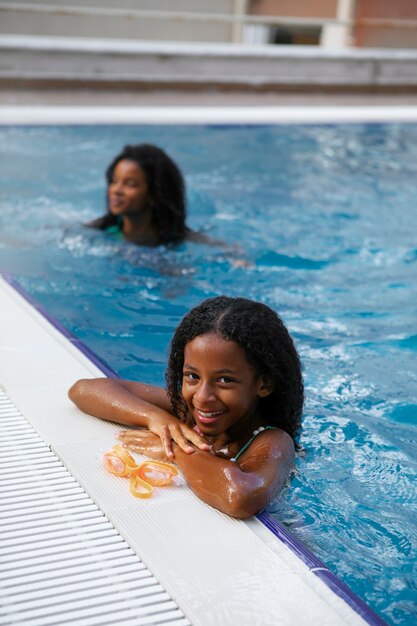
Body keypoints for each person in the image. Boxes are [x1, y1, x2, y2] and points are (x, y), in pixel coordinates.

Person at [68, 296, 303, 519]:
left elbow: (240, 497)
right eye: (192, 376)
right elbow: (83, 390)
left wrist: (177, 449)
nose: (202, 396)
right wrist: (155, 418)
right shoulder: (188, 412)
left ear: (264, 384)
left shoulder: (273, 441)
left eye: (225, 380)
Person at [88, 143, 203, 246]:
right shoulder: (96, 233)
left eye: (130, 184)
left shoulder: (182, 242)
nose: (116, 190)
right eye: (114, 181)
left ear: (154, 194)